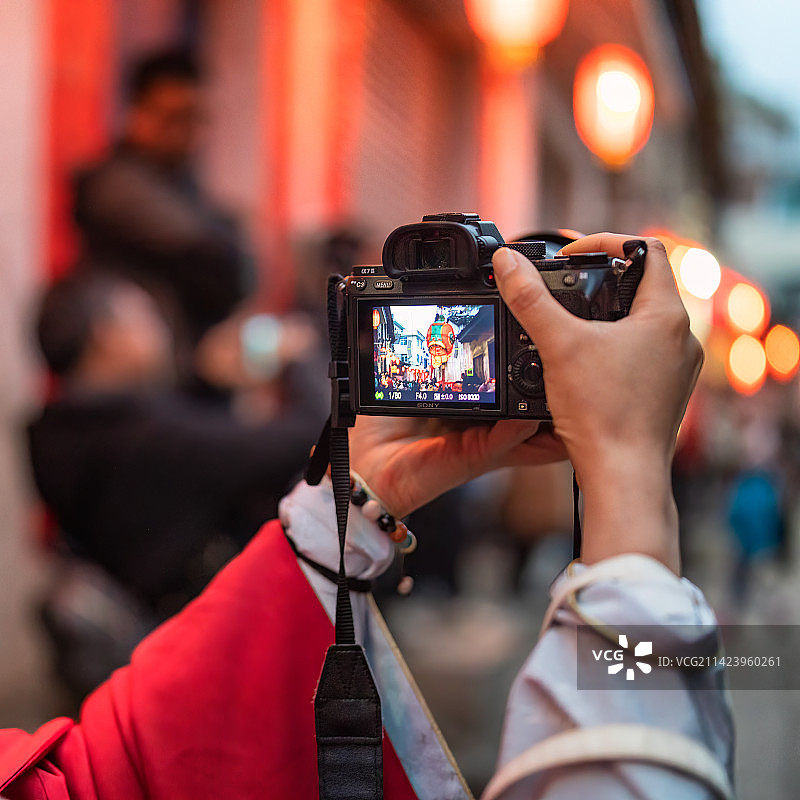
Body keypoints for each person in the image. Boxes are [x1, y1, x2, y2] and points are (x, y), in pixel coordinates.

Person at [1, 235, 732, 798]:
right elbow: (241, 453)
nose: (158, 324)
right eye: (137, 313)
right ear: (100, 336)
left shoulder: (65, 428)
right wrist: (627, 468)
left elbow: (114, 762)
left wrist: (361, 490)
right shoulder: (131, 426)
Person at [28, 272, 322, 617]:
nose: (160, 327)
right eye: (145, 315)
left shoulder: (63, 429)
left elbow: (180, 458)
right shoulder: (138, 431)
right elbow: (299, 438)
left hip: (160, 615)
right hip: (213, 619)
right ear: (107, 337)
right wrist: (299, 357)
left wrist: (209, 381)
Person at [73, 49, 254, 345]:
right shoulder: (117, 184)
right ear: (137, 113)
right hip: (135, 364)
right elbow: (210, 250)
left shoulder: (178, 181)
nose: (188, 131)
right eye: (175, 117)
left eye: (197, 118)